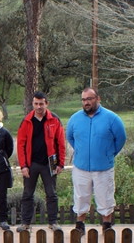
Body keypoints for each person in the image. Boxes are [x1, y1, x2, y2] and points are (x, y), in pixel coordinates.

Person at [66, 88, 126, 233]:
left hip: (103, 168)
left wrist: (108, 153)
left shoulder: (112, 118)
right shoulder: (75, 119)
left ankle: (106, 225)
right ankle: (80, 225)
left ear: (98, 99)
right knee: (81, 197)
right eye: (84, 100)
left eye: (89, 99)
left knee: (105, 197)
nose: (86, 102)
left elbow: (121, 139)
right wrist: (82, 152)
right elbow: (70, 137)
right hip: (81, 167)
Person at [16, 92, 66, 232]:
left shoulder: (54, 120)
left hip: (49, 162)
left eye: (41, 104)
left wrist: (60, 163)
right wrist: (23, 166)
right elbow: (21, 145)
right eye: (36, 104)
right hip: (31, 163)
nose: (38, 106)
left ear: (46, 104)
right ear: (32, 104)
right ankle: (26, 223)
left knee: (51, 194)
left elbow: (61, 142)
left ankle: (53, 222)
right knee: (27, 194)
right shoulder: (26, 121)